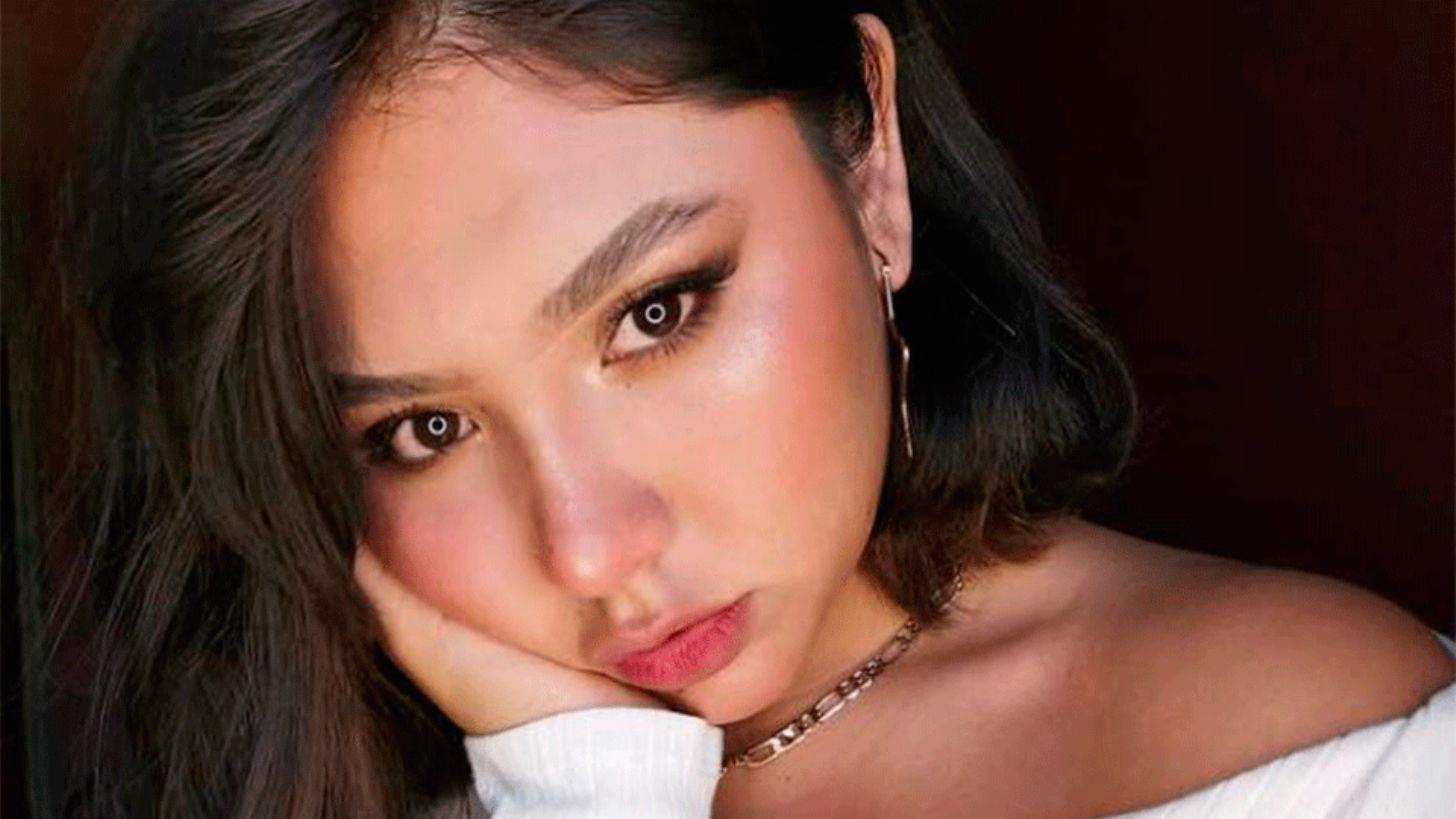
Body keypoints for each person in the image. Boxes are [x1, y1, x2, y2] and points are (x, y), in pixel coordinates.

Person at [47, 0, 1453, 817]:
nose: (590, 549)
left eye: (656, 312)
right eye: (424, 431)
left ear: (869, 161)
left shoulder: (1312, 749)